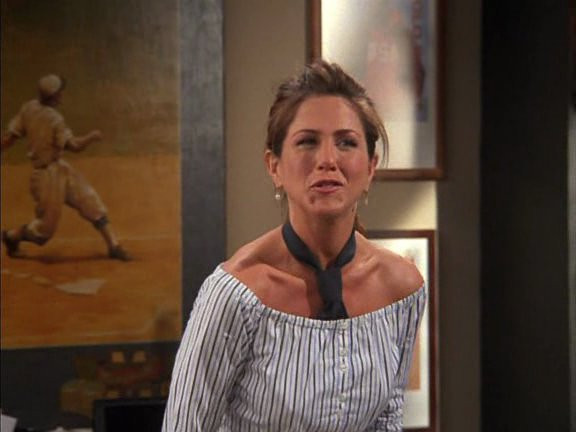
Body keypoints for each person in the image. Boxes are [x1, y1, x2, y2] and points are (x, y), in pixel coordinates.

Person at [162, 60, 426, 431]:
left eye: (346, 143)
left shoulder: (401, 288)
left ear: (370, 167)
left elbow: (388, 419)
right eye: (307, 142)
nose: (328, 160)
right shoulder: (236, 294)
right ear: (275, 167)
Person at [1, 74, 130, 261]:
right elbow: (74, 146)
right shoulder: (55, 119)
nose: (62, 95)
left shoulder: (28, 108)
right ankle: (11, 236)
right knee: (44, 231)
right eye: (60, 92)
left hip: (60, 168)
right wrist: (92, 137)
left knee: (90, 200)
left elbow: (9, 138)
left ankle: (114, 246)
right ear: (54, 96)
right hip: (46, 178)